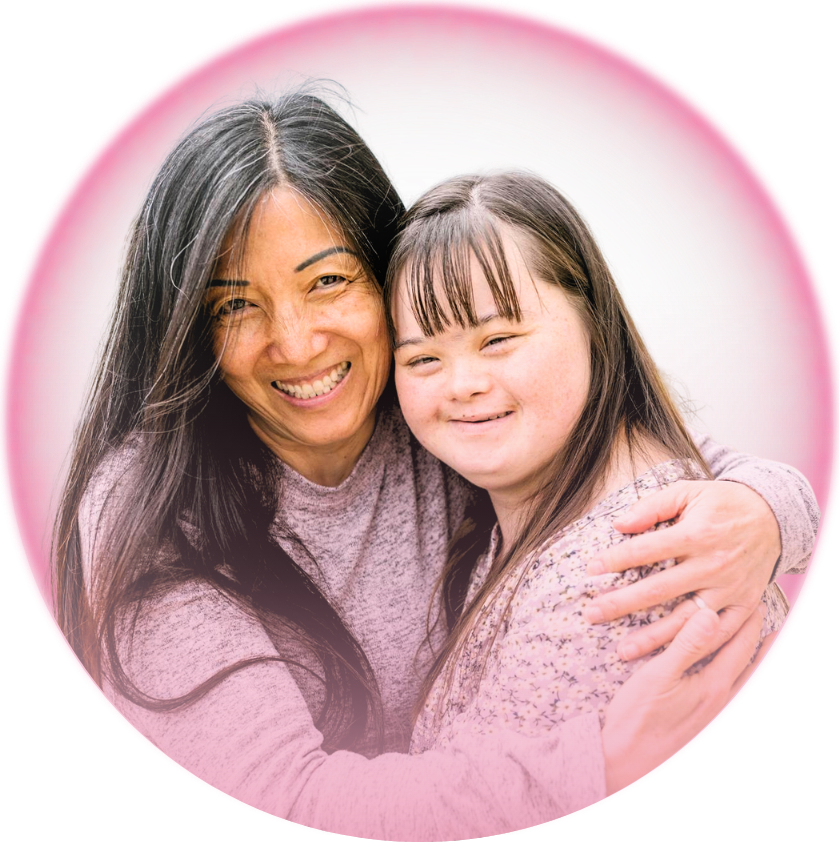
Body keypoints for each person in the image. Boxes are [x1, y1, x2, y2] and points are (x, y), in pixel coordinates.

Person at [52, 85, 818, 839]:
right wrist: (594, 765)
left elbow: (623, 433)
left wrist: (767, 511)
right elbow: (283, 801)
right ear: (187, 328)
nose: (296, 342)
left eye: (327, 281)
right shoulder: (149, 517)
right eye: (235, 305)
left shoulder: (423, 395)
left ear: (389, 280)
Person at [383, 168, 805, 763]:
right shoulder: (530, 491)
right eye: (423, 358)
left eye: (498, 339)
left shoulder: (617, 573)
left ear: (594, 323)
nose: (462, 385)